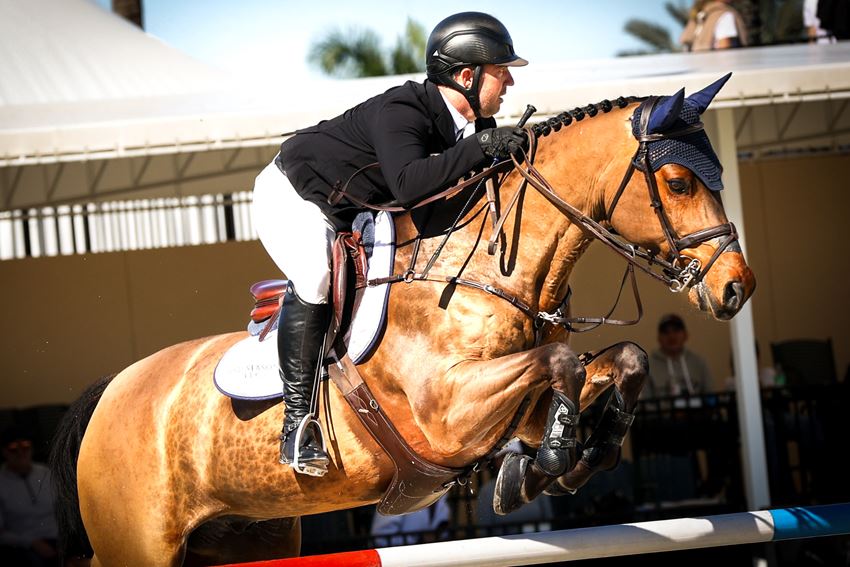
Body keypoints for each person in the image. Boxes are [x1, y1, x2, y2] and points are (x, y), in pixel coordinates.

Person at [251, 12, 529, 475]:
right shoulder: (403, 110)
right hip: (290, 194)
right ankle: (298, 425)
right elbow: (408, 185)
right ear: (467, 76)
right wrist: (481, 149)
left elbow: (434, 216)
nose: (509, 85)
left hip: (349, 210)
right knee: (317, 272)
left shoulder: (458, 129)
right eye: (502, 74)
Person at [0, 426, 59, 567]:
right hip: (24, 545)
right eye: (13, 449)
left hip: (59, 539)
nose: (21, 453)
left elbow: (64, 509)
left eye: (26, 447)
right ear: (4, 452)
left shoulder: (46, 473)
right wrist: (31, 542)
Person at [646, 314, 713, 397]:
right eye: (666, 332)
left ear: (685, 335)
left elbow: (710, 396)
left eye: (676, 330)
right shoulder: (648, 367)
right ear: (659, 338)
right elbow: (645, 403)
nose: (672, 336)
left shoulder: (699, 363)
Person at [370, 496, 451, 546]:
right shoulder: (397, 496)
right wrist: (419, 541)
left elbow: (444, 530)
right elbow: (381, 538)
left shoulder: (442, 496)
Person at [680, 0, 749, 51]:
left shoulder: (699, 16)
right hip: (719, 68)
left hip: (704, 67)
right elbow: (726, 52)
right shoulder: (724, 15)